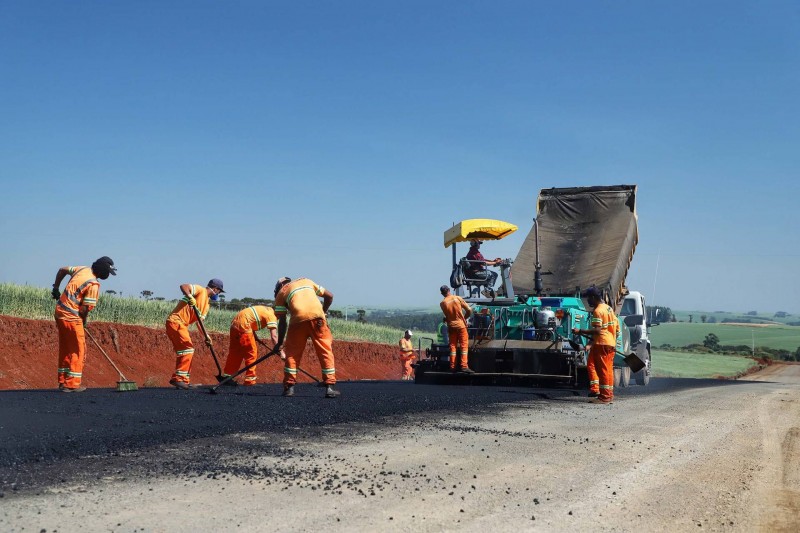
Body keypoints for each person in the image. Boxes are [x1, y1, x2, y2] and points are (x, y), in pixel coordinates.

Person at [51, 256, 117, 392]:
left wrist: (56, 287)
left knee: (66, 348)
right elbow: (84, 309)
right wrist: (84, 321)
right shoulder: (93, 284)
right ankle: (72, 384)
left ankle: (63, 381)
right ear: (104, 271)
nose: (108, 276)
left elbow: (62, 270)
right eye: (108, 273)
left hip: (59, 313)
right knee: (78, 350)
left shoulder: (81, 269)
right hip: (72, 317)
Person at [273, 277, 340, 398]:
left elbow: (282, 322)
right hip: (318, 320)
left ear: (280, 286)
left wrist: (279, 343)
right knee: (325, 351)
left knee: (292, 354)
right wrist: (322, 312)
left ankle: (289, 388)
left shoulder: (281, 293)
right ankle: (330, 387)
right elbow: (329, 296)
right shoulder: (306, 281)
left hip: (297, 322)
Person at [166, 279, 225, 390]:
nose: (218, 294)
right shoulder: (200, 290)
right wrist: (190, 296)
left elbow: (199, 322)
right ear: (215, 289)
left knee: (185, 351)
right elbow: (183, 285)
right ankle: (178, 379)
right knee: (188, 349)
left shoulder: (206, 305)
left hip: (181, 325)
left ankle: (184, 381)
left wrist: (206, 336)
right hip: (175, 321)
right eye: (219, 292)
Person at [572, 286, 619, 404]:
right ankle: (607, 394)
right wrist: (590, 344)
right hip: (608, 343)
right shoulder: (608, 309)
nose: (587, 301)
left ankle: (605, 397)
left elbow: (598, 331)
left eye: (588, 298)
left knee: (603, 370)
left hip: (602, 343)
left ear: (593, 297)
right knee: (606, 369)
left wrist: (580, 331)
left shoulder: (598, 311)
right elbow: (616, 328)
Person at [222, 304, 284, 386]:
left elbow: (251, 319)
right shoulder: (272, 316)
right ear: (279, 313)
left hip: (234, 326)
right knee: (251, 354)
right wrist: (281, 352)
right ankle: (250, 381)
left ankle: (227, 377)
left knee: (235, 353)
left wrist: (255, 336)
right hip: (244, 328)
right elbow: (274, 336)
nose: (281, 318)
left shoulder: (266, 309)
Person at [439, 285, 474, 373]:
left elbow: (447, 316)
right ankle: (464, 366)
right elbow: (469, 310)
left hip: (451, 326)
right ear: (449, 290)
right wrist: (464, 318)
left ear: (442, 293)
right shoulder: (457, 298)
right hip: (461, 326)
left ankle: (452, 366)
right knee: (463, 345)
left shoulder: (442, 303)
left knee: (453, 346)